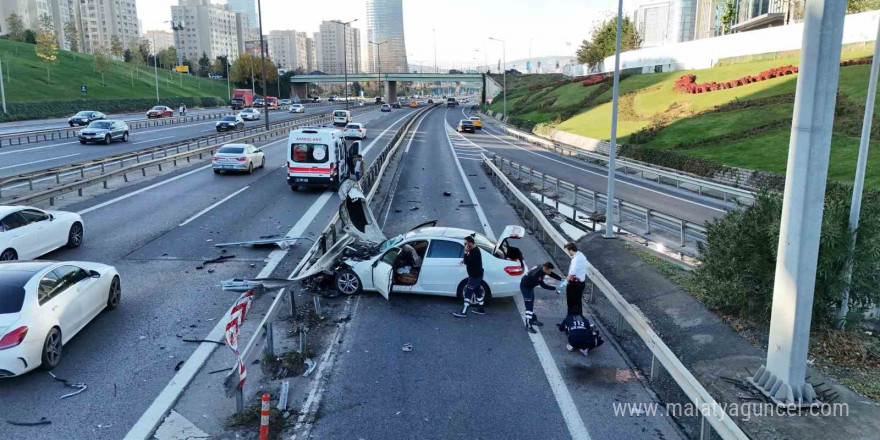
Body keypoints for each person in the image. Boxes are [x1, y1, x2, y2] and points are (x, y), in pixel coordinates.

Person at [520, 262, 563, 333]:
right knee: (529, 307)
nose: (550, 272)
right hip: (526, 287)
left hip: (530, 287)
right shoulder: (537, 273)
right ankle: (528, 326)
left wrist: (561, 279)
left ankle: (533, 320)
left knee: (531, 304)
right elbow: (544, 286)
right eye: (549, 271)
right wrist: (556, 288)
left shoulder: (543, 268)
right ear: (545, 269)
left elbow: (551, 274)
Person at [453, 236, 485, 317]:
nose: (465, 245)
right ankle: (481, 309)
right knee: (477, 291)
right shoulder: (474, 250)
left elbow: (468, 261)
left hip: (475, 276)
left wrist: (465, 252)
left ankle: (463, 312)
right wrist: (466, 256)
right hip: (477, 275)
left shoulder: (475, 251)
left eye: (466, 244)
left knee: (468, 292)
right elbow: (469, 260)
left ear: (470, 243)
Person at [564, 242, 587, 316]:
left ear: (571, 250)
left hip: (575, 284)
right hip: (578, 283)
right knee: (576, 302)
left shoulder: (577, 259)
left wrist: (563, 283)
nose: (568, 252)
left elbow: (572, 273)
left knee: (572, 302)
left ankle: (572, 320)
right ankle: (575, 320)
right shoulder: (580, 255)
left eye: (567, 250)